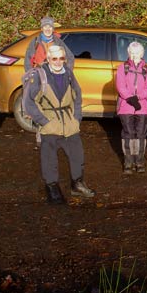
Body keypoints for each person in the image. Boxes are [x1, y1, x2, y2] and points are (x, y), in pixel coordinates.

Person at [23, 45, 95, 204]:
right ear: (48, 59)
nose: (58, 62)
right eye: (54, 58)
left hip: (69, 122)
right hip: (49, 122)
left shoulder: (69, 73)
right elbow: (28, 102)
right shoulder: (38, 75)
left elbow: (78, 94)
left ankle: (77, 184)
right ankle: (52, 188)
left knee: (78, 155)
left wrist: (77, 117)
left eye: (61, 58)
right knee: (49, 160)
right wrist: (44, 121)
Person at [115, 41, 147, 174]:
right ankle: (128, 162)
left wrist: (138, 98)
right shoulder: (122, 68)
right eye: (132, 53)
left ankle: (139, 161)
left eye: (137, 53)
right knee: (128, 134)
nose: (134, 55)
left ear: (142, 54)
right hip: (126, 106)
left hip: (142, 107)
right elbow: (120, 86)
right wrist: (130, 98)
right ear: (128, 53)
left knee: (141, 134)